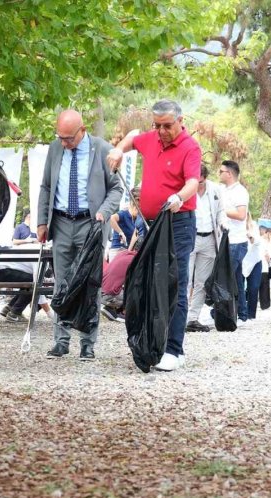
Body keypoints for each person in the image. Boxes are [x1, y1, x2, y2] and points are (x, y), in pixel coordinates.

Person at [107, 99, 200, 371]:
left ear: (181, 121)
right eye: (157, 126)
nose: (162, 131)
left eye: (168, 126)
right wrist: (118, 149)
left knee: (175, 282)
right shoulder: (151, 139)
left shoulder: (189, 147)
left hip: (177, 221)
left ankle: (174, 349)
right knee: (148, 281)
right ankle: (152, 342)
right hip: (147, 223)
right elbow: (134, 137)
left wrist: (178, 197)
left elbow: (193, 182)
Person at [37, 109, 122, 361]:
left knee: (89, 284)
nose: (64, 143)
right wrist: (42, 221)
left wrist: (104, 212)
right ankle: (61, 341)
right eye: (60, 137)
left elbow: (116, 189)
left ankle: (87, 342)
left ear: (82, 130)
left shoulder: (103, 150)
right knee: (62, 283)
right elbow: (45, 186)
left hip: (90, 224)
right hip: (61, 223)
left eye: (69, 138)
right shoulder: (55, 149)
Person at [186, 163, 225, 332]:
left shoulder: (215, 190)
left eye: (201, 182)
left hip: (209, 237)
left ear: (205, 179)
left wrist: (223, 224)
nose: (198, 185)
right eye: (196, 181)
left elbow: (221, 211)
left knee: (202, 281)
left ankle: (193, 317)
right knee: (185, 279)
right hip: (190, 237)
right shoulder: (187, 188)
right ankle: (180, 315)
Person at [218, 160, 250, 322]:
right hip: (225, 240)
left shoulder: (240, 191)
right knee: (236, 278)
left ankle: (227, 313)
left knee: (227, 277)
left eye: (221, 171)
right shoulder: (222, 190)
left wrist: (223, 211)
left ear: (229, 173)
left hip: (236, 241)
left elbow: (241, 214)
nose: (219, 174)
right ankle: (242, 314)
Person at [0, 244, 51, 322]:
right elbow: (37, 287)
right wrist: (49, 313)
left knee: (29, 280)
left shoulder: (38, 247)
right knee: (32, 283)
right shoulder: (43, 257)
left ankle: (10, 307)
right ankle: (15, 313)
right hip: (2, 271)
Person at [100, 236, 142, 323]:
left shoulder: (123, 253)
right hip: (109, 294)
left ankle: (111, 308)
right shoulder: (135, 261)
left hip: (101, 292)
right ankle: (124, 313)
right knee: (140, 291)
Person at [108, 187, 147, 260]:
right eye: (137, 205)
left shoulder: (139, 219)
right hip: (117, 249)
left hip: (127, 251)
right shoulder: (124, 214)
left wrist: (129, 250)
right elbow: (111, 219)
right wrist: (121, 232)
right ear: (133, 203)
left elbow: (135, 235)